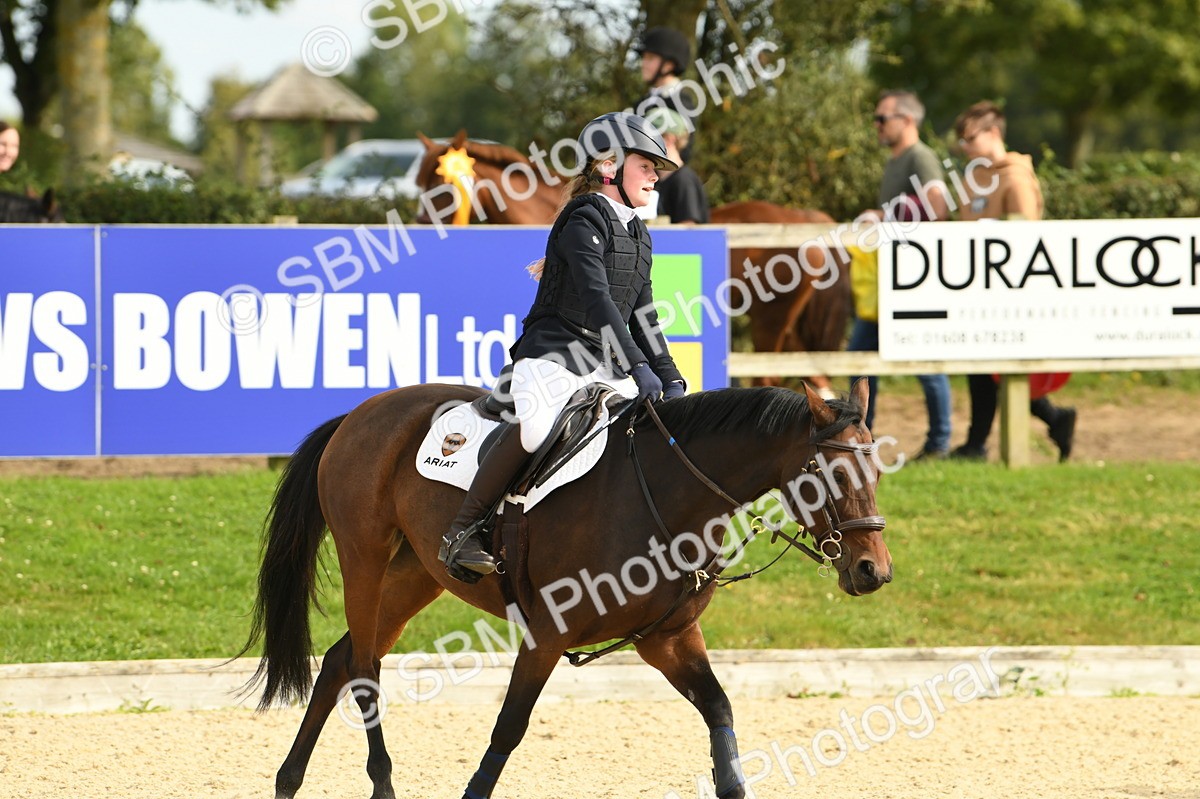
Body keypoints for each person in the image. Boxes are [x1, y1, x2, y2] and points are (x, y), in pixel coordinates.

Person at [439, 111, 687, 580]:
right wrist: (638, 366)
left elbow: (643, 314)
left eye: (658, 169)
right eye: (647, 166)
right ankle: (462, 530)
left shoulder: (639, 233)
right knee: (534, 429)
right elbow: (597, 300)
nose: (656, 176)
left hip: (601, 363)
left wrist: (669, 374)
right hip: (551, 353)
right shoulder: (583, 217)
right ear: (610, 166)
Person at [948, 101, 1077, 462]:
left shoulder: (1016, 178)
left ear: (993, 134)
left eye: (969, 138)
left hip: (1007, 294)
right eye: (960, 140)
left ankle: (980, 443)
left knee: (995, 370)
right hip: (978, 289)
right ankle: (1052, 419)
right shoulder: (974, 181)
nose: (964, 146)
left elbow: (1027, 239)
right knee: (985, 369)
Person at [849, 90, 952, 460]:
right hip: (887, 282)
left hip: (913, 282)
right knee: (858, 357)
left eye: (882, 118)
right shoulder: (897, 160)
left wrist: (886, 216)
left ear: (906, 120)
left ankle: (940, 443)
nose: (876, 125)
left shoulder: (919, 157)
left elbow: (938, 210)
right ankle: (861, 436)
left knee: (924, 363)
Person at [633, 26, 699, 164]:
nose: (643, 64)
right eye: (644, 58)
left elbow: (682, 153)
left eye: (650, 58)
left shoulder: (681, 103)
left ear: (668, 65)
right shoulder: (642, 102)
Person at [643, 107, 709, 223]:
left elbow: (688, 231)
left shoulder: (683, 181)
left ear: (668, 139)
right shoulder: (659, 180)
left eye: (649, 137)